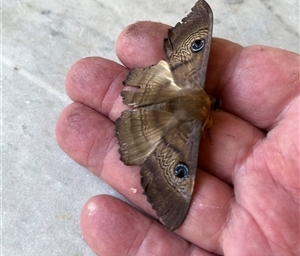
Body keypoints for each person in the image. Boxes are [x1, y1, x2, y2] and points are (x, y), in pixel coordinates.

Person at [56, 21, 299, 256]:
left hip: (163, 85)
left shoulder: (195, 85)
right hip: (170, 119)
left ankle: (143, 115)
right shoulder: (200, 125)